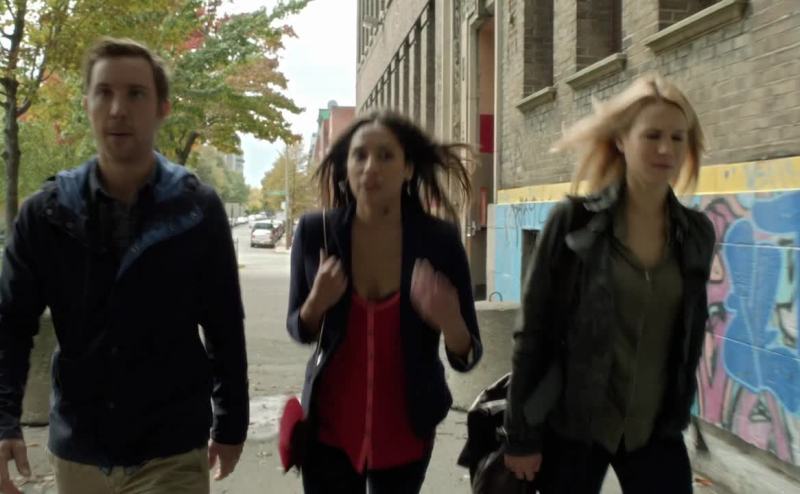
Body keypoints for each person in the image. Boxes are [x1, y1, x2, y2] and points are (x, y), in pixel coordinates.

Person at [0, 37, 248, 494]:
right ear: (87, 105)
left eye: (135, 94)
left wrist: (231, 423)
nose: (118, 109)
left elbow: (224, 324)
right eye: (104, 93)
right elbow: (11, 325)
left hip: (170, 447)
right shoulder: (47, 213)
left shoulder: (195, 210)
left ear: (162, 109)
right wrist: (4, 421)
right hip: (80, 449)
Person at [503, 74, 716, 494]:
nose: (666, 149)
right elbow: (533, 333)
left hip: (654, 430)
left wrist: (679, 409)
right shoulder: (574, 222)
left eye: (677, 137)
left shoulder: (695, 234)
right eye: (652, 135)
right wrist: (521, 435)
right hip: (576, 427)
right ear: (621, 139)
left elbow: (687, 336)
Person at [287, 110, 483, 493]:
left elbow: (468, 354)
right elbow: (299, 329)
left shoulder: (439, 241)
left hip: (407, 434)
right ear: (345, 168)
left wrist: (450, 321)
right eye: (359, 155)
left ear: (408, 168)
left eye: (386, 155)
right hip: (329, 435)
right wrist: (316, 303)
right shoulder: (315, 232)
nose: (370, 167)